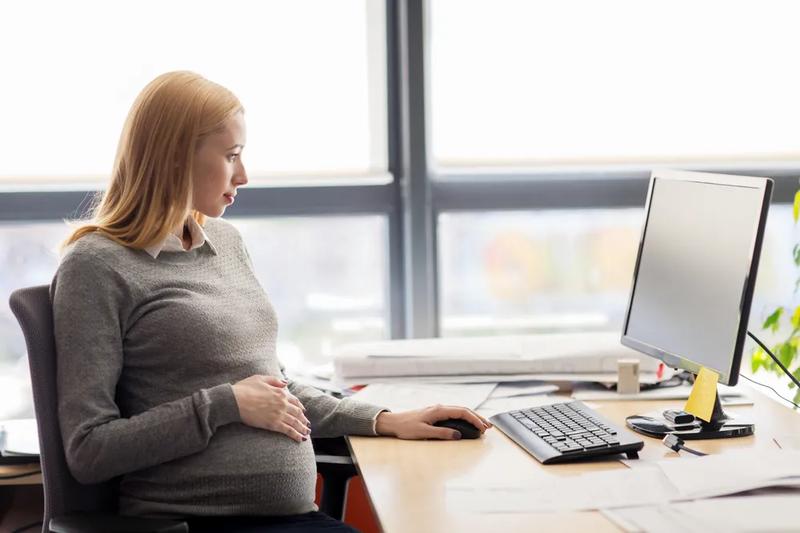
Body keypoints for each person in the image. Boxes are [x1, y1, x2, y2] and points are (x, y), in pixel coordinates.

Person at [50, 71, 492, 532]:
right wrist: (223, 404)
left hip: (293, 519)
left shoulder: (224, 242)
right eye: (231, 155)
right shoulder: (97, 265)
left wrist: (385, 419)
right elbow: (89, 450)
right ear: (175, 155)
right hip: (194, 524)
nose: (242, 175)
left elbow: (274, 391)